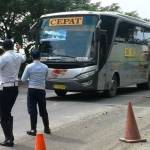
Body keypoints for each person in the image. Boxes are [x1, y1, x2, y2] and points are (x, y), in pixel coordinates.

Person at [0, 39, 26, 147]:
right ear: (12, 46)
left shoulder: (3, 58)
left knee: (4, 114)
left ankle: (9, 139)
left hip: (5, 89)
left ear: (4, 47)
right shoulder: (18, 56)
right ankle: (10, 137)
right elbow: (24, 57)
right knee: (7, 112)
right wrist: (21, 49)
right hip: (15, 89)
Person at [21, 49, 51, 136]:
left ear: (32, 57)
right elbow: (46, 78)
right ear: (40, 57)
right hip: (41, 90)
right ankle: (47, 128)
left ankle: (33, 129)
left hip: (32, 90)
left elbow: (23, 79)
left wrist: (30, 80)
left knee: (32, 110)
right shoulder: (45, 67)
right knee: (43, 109)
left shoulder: (29, 67)